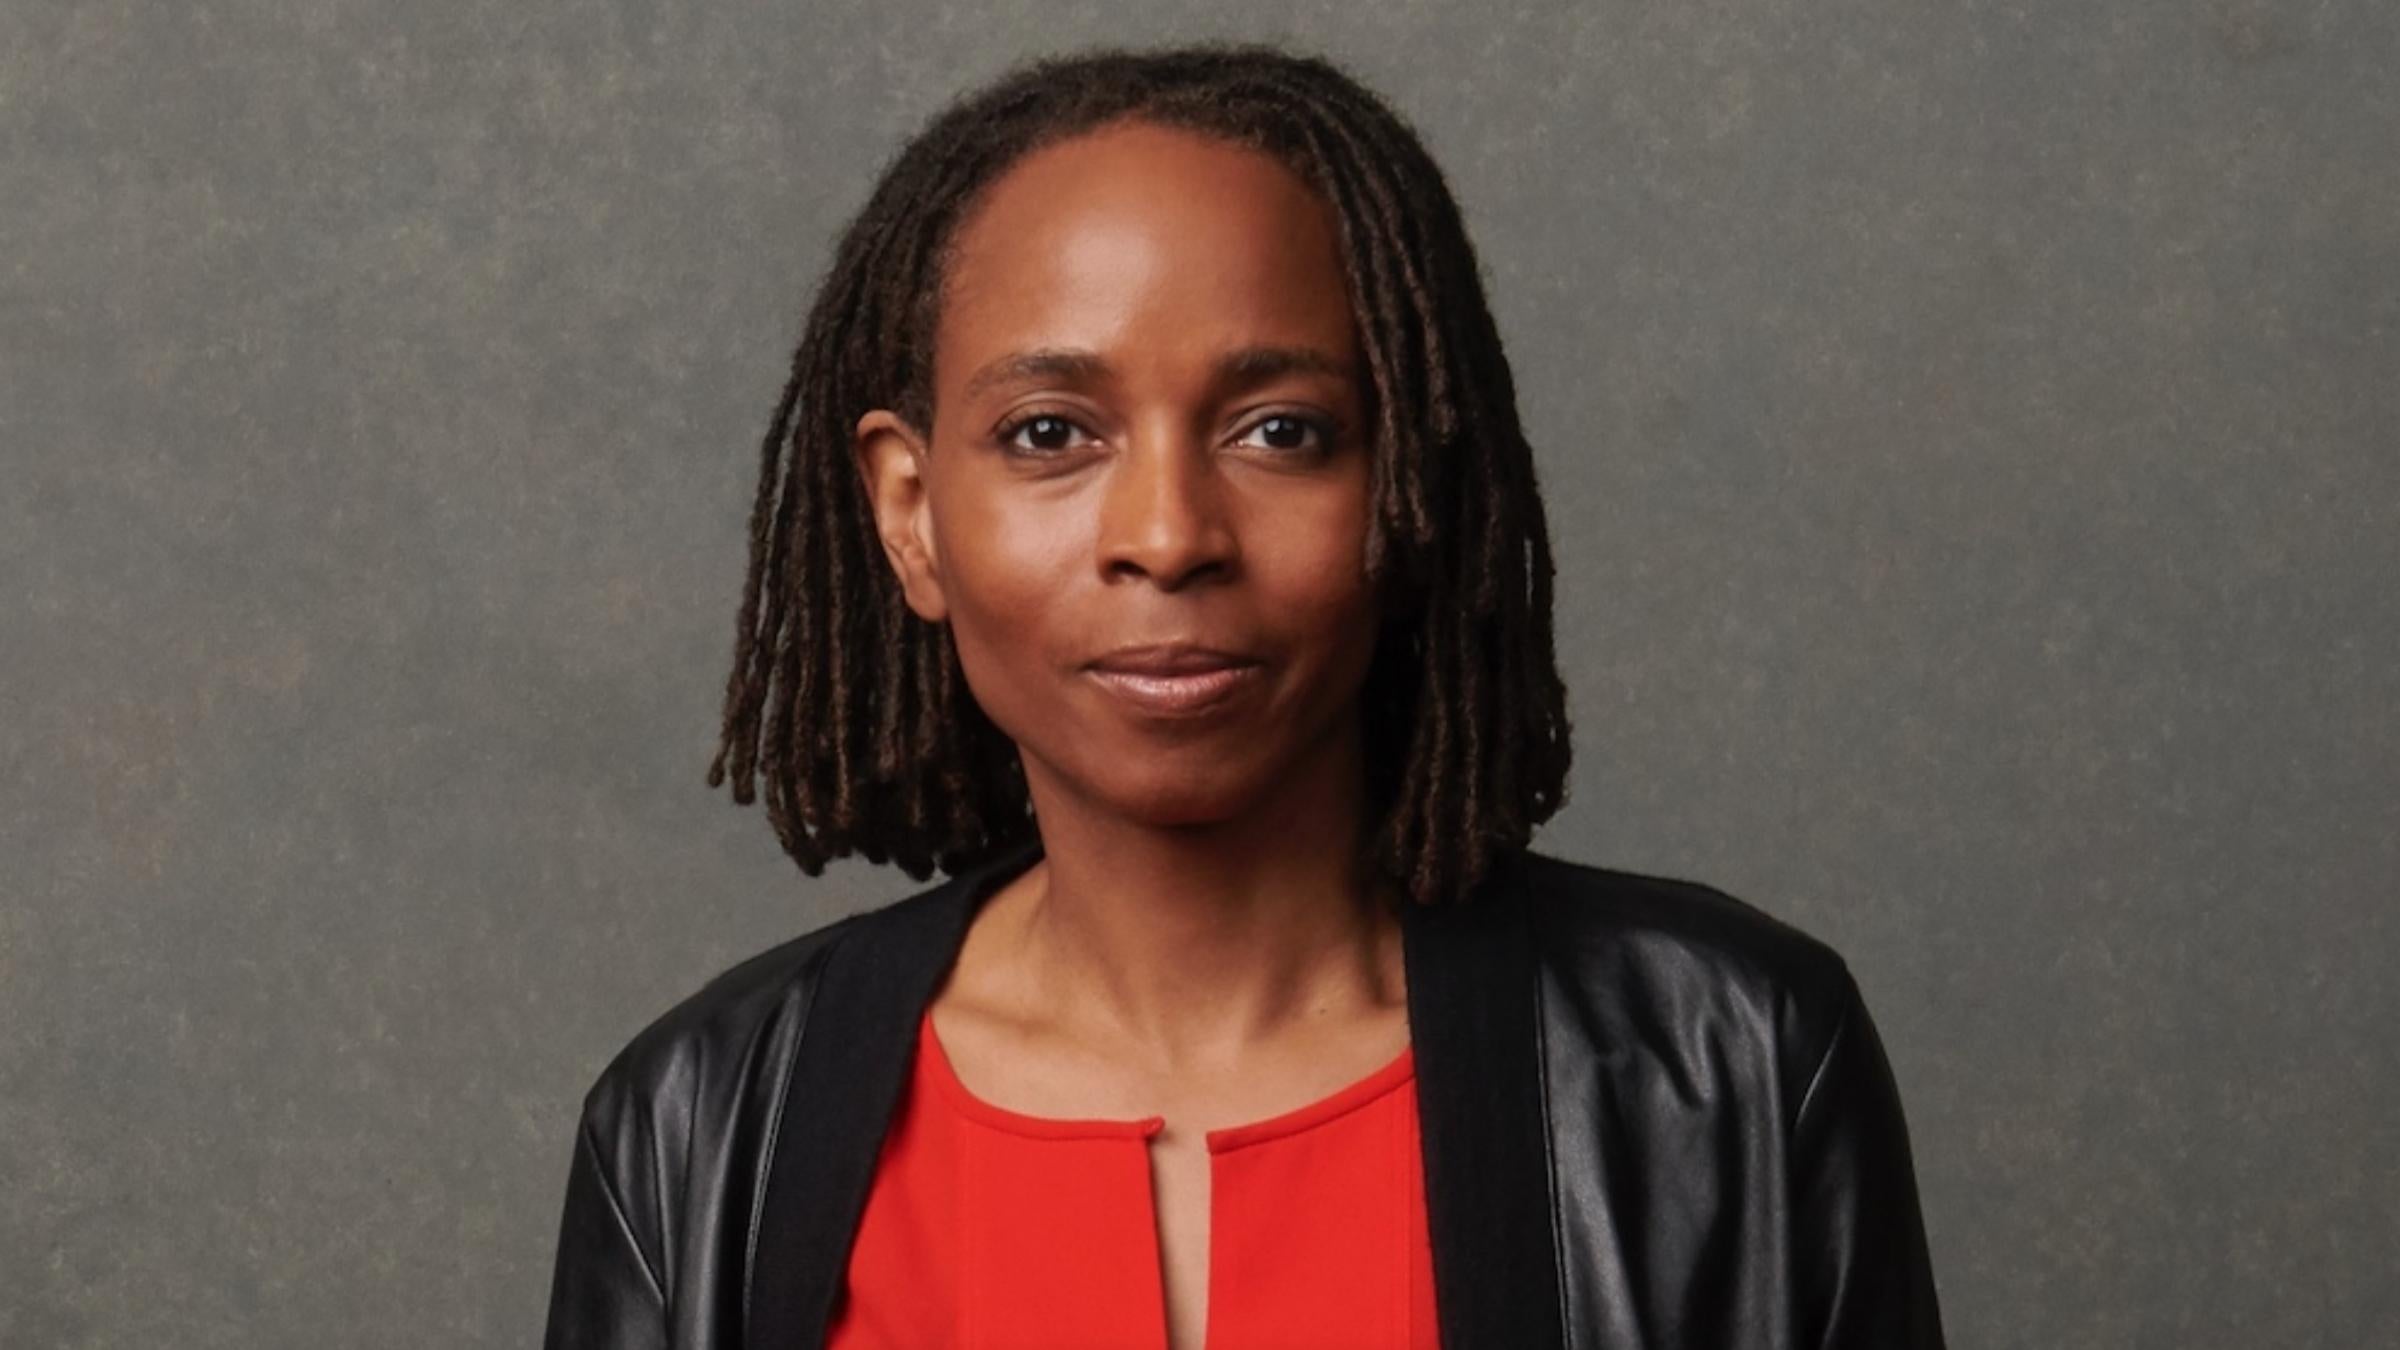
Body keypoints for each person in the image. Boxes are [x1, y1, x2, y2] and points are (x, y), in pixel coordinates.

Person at [540, 41, 1946, 1350]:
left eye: (1284, 430)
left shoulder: (1734, 1066)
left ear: (1407, 488)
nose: (1168, 531)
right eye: (1050, 433)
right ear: (912, 514)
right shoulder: (699, 1127)